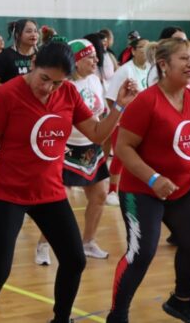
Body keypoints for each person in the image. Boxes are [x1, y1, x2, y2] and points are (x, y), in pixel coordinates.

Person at [0, 41, 137, 323]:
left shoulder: (68, 93)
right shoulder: (7, 95)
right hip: (8, 193)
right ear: (33, 64)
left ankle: (61, 319)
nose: (48, 88)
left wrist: (119, 106)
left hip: (49, 193)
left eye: (57, 82)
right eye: (44, 78)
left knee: (75, 260)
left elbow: (96, 133)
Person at [108, 38, 190, 323]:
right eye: (184, 58)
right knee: (142, 253)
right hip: (141, 191)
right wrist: (153, 178)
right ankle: (117, 316)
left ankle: (181, 302)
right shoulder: (146, 102)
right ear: (163, 64)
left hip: (179, 189)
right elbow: (123, 148)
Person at [58, 38, 112, 260]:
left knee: (100, 194)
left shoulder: (96, 80)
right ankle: (44, 244)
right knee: (60, 200)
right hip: (67, 148)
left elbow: (102, 113)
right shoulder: (64, 86)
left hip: (91, 146)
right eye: (90, 57)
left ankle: (88, 242)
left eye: (96, 56)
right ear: (77, 61)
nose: (96, 60)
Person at [104, 37, 150, 208]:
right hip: (123, 121)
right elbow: (110, 98)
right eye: (141, 48)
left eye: (148, 47)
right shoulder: (125, 71)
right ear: (133, 51)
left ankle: (136, 187)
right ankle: (112, 191)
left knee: (141, 155)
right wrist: (119, 118)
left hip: (143, 121)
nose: (145, 51)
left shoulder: (150, 69)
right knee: (120, 156)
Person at [0, 19, 39, 86]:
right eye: (29, 31)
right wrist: (11, 89)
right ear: (17, 35)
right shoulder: (5, 56)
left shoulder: (41, 55)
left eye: (35, 31)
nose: (34, 34)